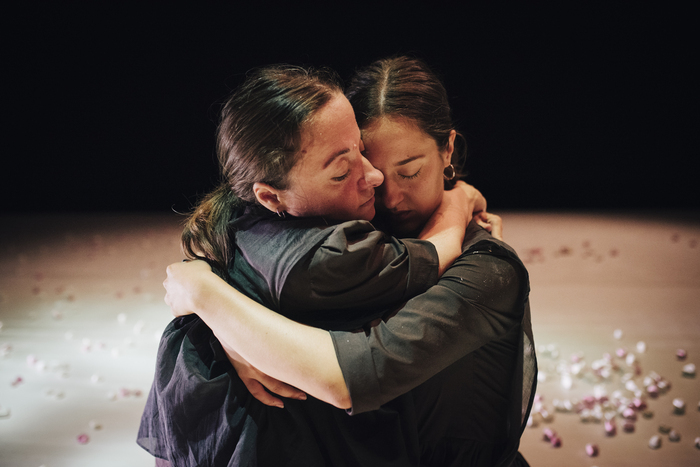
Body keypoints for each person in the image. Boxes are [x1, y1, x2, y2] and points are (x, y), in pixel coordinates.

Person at [159, 57, 536, 467]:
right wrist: (223, 327)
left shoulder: (486, 267)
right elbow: (227, 227)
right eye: (356, 162)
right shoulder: (324, 236)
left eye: (409, 172)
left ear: (448, 147)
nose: (383, 189)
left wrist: (212, 302)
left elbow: (358, 372)